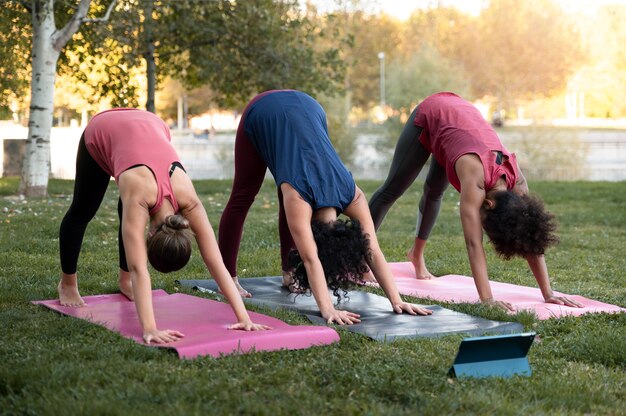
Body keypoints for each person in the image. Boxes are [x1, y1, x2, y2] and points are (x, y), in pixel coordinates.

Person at [218, 90, 433, 325]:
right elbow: (311, 260)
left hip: (311, 108)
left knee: (289, 186)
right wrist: (327, 308)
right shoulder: (311, 197)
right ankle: (228, 277)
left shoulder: (353, 195)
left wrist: (397, 300)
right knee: (244, 194)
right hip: (263, 111)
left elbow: (371, 249)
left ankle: (288, 275)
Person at [58, 108, 270, 344]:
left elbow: (216, 261)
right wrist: (150, 328)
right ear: (150, 234)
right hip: (104, 128)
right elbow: (140, 269)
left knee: (129, 206)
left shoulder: (189, 201)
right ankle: (67, 284)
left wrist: (244, 317)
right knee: (82, 211)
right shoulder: (140, 195)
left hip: (151, 125)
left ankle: (124, 282)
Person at [368, 92, 584, 311]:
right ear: (488, 205)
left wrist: (548, 293)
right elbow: (474, 244)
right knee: (392, 189)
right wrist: (487, 299)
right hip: (436, 111)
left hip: (460, 128)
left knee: (434, 192)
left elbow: (529, 233)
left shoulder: (516, 180)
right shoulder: (475, 178)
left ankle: (416, 255)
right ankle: (361, 253)